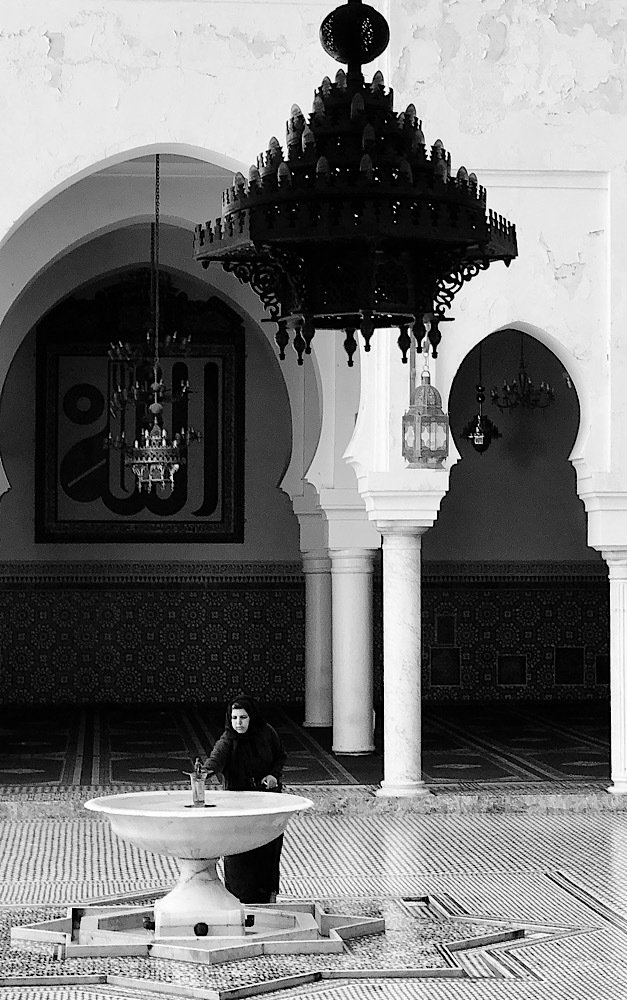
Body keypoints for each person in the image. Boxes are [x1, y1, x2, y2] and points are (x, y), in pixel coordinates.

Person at [203, 693, 287, 904]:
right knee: (239, 856)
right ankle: (239, 902)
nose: (238, 723)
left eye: (243, 718)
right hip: (240, 810)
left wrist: (273, 776)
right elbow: (214, 761)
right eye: (234, 718)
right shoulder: (228, 740)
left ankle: (268, 900)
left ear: (252, 718)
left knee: (267, 855)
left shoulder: (267, 734)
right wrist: (203, 775)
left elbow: (279, 756)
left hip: (267, 806)